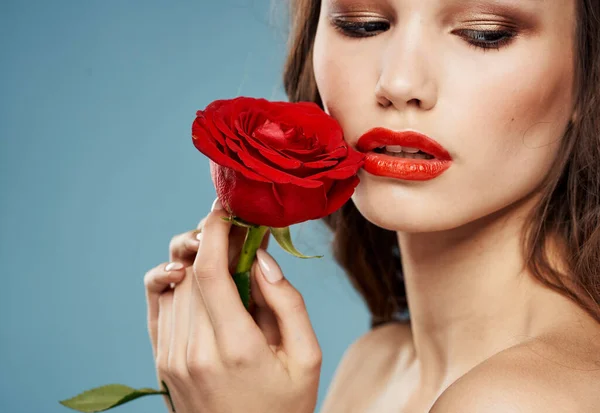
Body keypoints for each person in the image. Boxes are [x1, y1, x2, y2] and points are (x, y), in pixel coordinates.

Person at [143, 0, 600, 411]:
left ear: (587, 77)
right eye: (363, 25)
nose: (398, 83)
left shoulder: (518, 400)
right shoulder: (375, 365)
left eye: (484, 33)